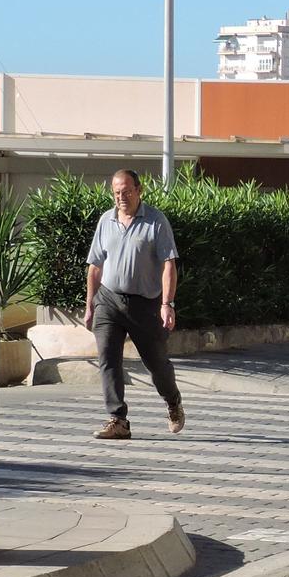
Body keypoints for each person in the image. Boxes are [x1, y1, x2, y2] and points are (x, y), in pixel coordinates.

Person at [85, 169, 185, 440]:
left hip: (145, 304)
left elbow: (169, 265)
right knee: (108, 358)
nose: (122, 197)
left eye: (127, 191)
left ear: (139, 190)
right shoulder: (106, 221)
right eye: (117, 192)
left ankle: (173, 401)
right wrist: (90, 305)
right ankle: (117, 419)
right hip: (109, 300)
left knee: (157, 364)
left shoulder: (155, 221)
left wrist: (167, 303)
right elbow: (95, 266)